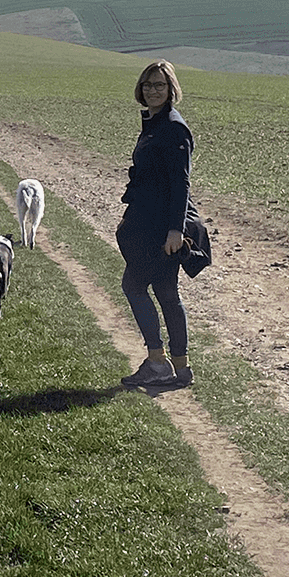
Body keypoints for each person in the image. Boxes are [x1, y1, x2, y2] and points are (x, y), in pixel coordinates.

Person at [116, 60, 199, 391]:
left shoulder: (173, 128)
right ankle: (180, 366)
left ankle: (157, 362)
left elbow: (181, 184)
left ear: (171, 89)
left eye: (160, 85)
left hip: (160, 229)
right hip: (151, 223)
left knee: (133, 287)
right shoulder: (154, 123)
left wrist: (175, 230)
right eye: (148, 85)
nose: (153, 90)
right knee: (166, 292)